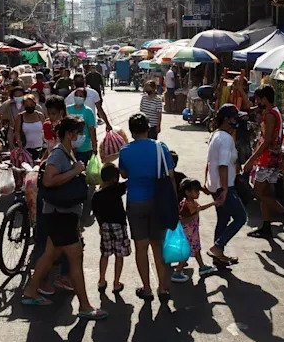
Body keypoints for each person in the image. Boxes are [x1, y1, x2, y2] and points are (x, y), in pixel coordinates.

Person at [21, 117, 107, 320]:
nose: (80, 137)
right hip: (61, 215)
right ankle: (85, 306)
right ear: (69, 134)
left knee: (50, 254)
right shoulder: (58, 155)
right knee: (75, 258)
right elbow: (50, 181)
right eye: (78, 133)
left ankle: (31, 291)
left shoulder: (67, 152)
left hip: (63, 214)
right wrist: (76, 171)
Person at [118, 113, 177, 301]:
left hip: (135, 202)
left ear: (131, 130)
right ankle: (163, 288)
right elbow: (170, 176)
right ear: (148, 128)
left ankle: (147, 288)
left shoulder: (125, 151)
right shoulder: (161, 147)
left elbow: (125, 174)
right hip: (157, 202)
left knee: (141, 247)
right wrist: (174, 201)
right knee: (157, 246)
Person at [242, 85, 284, 239]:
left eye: (259, 99)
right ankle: (266, 227)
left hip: (267, 160)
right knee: (266, 193)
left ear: (265, 99)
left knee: (258, 193)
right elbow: (250, 108)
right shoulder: (274, 112)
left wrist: (251, 159)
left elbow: (267, 141)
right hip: (271, 159)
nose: (258, 103)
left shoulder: (270, 115)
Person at [207, 104, 247, 265]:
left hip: (216, 185)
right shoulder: (225, 138)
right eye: (233, 118)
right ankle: (218, 247)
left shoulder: (216, 135)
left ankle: (218, 255)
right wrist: (224, 189)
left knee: (223, 219)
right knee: (240, 217)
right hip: (224, 186)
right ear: (226, 120)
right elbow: (222, 165)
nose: (236, 122)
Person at [92, 163, 130, 294]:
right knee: (119, 255)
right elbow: (129, 182)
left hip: (105, 226)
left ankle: (102, 280)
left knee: (105, 254)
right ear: (115, 179)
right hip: (119, 225)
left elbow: (96, 212)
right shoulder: (117, 189)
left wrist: (100, 225)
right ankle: (116, 283)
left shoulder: (97, 195)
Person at [171, 179, 216, 283]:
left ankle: (202, 266)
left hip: (193, 233)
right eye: (196, 191)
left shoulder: (191, 202)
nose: (198, 193)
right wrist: (194, 216)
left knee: (196, 250)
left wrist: (213, 204)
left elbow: (199, 208)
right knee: (186, 254)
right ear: (187, 192)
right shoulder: (187, 205)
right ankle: (177, 272)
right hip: (189, 235)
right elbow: (182, 219)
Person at [66, 87, 98, 164]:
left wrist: (94, 146)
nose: (78, 98)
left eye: (81, 96)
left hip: (84, 147)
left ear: (85, 98)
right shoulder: (67, 109)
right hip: (68, 147)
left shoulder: (88, 111)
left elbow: (91, 129)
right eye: (76, 95)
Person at [16, 94, 46, 162]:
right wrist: (19, 142)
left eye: (31, 104)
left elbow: (45, 129)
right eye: (27, 105)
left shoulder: (40, 115)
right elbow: (17, 131)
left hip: (40, 148)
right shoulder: (20, 117)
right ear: (24, 105)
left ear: (35, 104)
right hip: (26, 149)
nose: (29, 106)